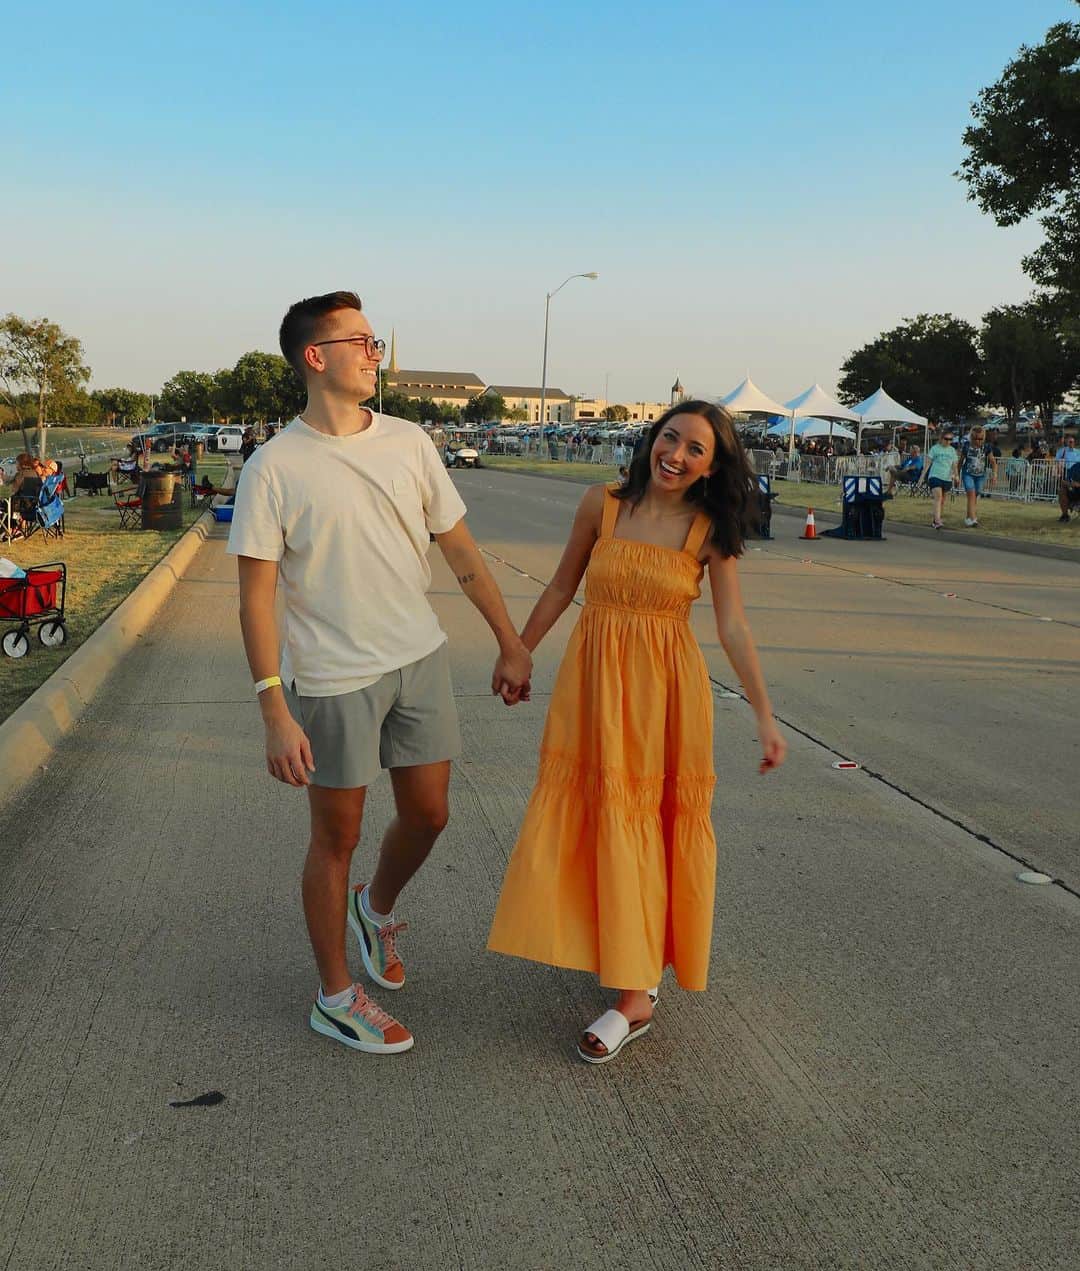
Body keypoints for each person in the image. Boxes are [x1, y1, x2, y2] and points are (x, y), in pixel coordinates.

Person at [227, 290, 531, 1057]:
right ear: (315, 357)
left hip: (418, 659)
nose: (374, 353)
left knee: (430, 815)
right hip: (332, 680)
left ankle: (376, 906)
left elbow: (460, 550)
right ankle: (334, 996)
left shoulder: (408, 442)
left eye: (375, 341)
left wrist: (509, 639)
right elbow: (256, 597)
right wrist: (273, 709)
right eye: (359, 341)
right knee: (337, 836)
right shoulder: (273, 467)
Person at [487, 400, 787, 1064]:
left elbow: (733, 626)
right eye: (669, 438)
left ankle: (634, 996)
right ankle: (625, 951)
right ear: (652, 439)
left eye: (695, 449)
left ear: (714, 466)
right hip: (593, 685)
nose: (675, 455)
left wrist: (764, 714)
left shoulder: (708, 530)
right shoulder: (602, 504)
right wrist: (519, 651)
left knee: (644, 821)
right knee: (599, 815)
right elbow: (561, 586)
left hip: (663, 696)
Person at [957, 424, 997, 528]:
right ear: (971, 437)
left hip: (980, 475)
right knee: (971, 494)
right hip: (968, 473)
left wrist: (994, 474)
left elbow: (993, 462)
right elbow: (960, 461)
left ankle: (968, 517)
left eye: (980, 439)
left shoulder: (986, 447)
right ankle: (973, 519)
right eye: (975, 438)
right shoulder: (966, 446)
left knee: (975, 495)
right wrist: (956, 475)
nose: (978, 441)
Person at [922, 429, 959, 529]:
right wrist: (922, 477)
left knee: (942, 500)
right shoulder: (935, 449)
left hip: (947, 478)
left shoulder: (952, 450)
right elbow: (928, 463)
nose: (948, 441)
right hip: (935, 475)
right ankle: (938, 520)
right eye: (946, 439)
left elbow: (954, 465)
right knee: (938, 497)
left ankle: (936, 519)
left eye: (950, 439)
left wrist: (956, 476)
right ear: (941, 438)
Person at [1054, 433, 1080, 523]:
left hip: (1077, 477)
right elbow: (1057, 463)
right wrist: (1059, 473)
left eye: (1072, 441)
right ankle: (1065, 515)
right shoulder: (1062, 451)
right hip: (1068, 474)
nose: (1071, 443)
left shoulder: (1078, 452)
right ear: (1066, 442)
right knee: (1062, 491)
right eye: (1069, 441)